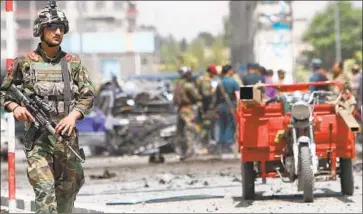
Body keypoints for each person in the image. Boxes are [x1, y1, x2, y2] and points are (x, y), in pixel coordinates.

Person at [0, 1, 95, 213]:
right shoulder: (24, 62)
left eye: (61, 28)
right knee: (45, 191)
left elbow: (88, 94)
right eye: (52, 27)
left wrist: (73, 116)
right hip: (38, 140)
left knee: (69, 190)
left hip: (66, 138)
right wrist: (15, 108)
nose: (58, 32)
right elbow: (4, 93)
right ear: (41, 30)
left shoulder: (73, 63)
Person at [173, 66, 203, 160]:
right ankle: (190, 151)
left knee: (180, 132)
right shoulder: (188, 85)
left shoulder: (177, 84)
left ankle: (182, 151)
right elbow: (198, 96)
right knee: (190, 130)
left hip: (180, 110)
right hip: (187, 109)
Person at [214, 64, 240, 154]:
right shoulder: (233, 82)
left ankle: (221, 145)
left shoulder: (219, 83)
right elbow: (239, 95)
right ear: (229, 71)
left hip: (221, 107)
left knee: (221, 125)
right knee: (230, 125)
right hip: (230, 106)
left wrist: (216, 110)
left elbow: (216, 98)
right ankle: (227, 144)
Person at [195, 65, 218, 147]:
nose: (215, 75)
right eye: (214, 73)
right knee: (207, 124)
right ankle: (204, 144)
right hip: (206, 106)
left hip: (202, 105)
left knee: (203, 124)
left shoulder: (200, 78)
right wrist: (213, 90)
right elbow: (206, 94)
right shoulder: (205, 80)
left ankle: (204, 143)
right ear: (210, 72)